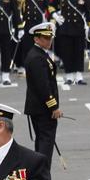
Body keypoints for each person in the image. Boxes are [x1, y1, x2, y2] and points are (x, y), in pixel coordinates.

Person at [24, 22, 62, 169]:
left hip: (39, 107)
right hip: (43, 108)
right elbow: (43, 86)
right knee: (45, 144)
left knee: (42, 143)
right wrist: (54, 107)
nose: (49, 41)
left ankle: (40, 176)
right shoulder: (37, 57)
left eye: (50, 38)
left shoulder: (40, 54)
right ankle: (42, 176)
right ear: (36, 39)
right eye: (45, 38)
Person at [52, 0, 90, 85]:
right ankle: (69, 75)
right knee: (67, 53)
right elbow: (51, 6)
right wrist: (55, 15)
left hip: (79, 28)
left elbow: (89, 12)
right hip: (65, 29)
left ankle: (79, 76)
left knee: (79, 52)